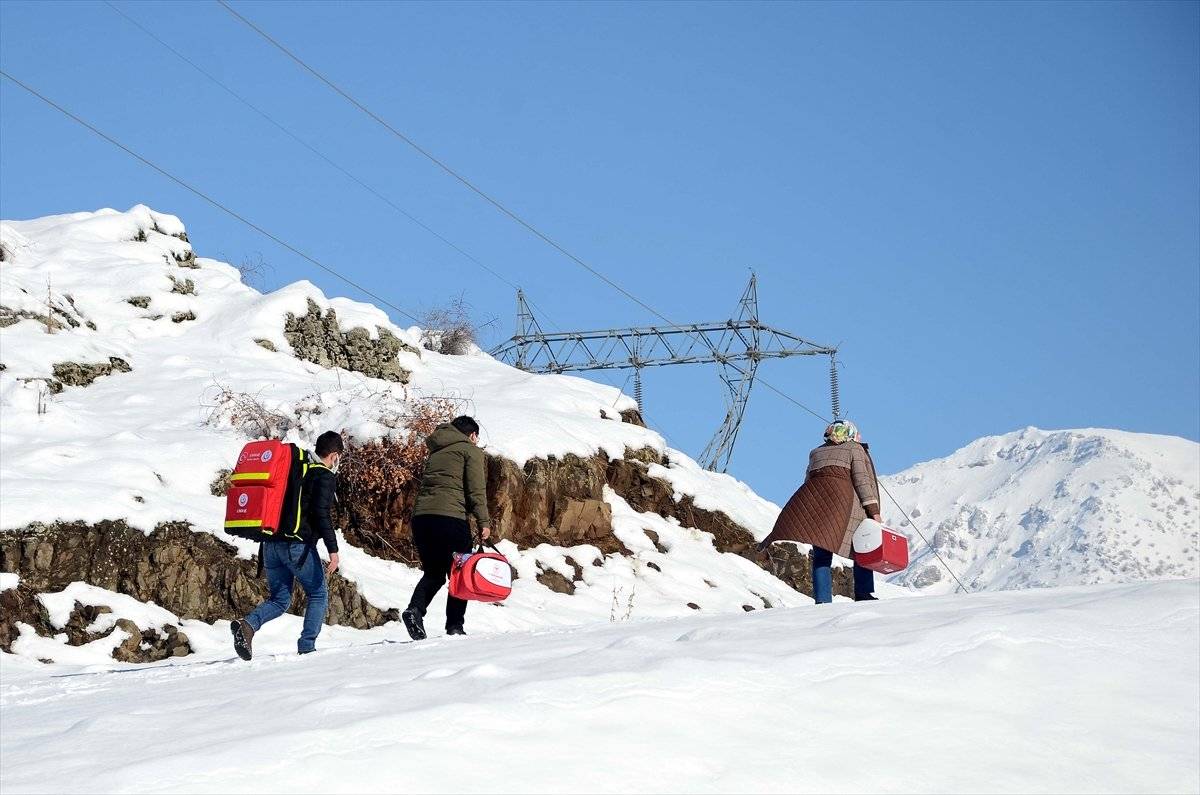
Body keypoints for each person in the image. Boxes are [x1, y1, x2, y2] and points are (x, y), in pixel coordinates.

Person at [231, 431, 344, 659]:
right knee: (318, 594)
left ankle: (248, 625)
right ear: (333, 456)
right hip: (296, 546)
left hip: (271, 544)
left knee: (280, 599)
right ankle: (307, 646)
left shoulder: (295, 471)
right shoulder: (323, 476)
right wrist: (333, 550)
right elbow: (322, 514)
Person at [758, 420, 880, 603]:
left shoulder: (816, 452)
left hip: (817, 507)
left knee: (822, 554)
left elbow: (808, 480)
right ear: (851, 434)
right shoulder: (854, 449)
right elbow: (862, 480)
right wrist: (873, 510)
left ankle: (822, 600)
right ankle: (863, 593)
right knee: (863, 548)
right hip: (845, 507)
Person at [402, 415, 491, 640]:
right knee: (460, 573)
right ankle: (454, 627)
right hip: (450, 519)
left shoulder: (437, 450)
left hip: (422, 519)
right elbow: (476, 491)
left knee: (434, 572)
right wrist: (484, 522)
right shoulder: (470, 451)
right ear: (472, 435)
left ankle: (415, 610)